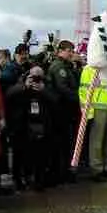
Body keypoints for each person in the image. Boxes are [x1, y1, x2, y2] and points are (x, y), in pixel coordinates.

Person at [47, 40, 80, 184]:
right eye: (69, 51)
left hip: (67, 110)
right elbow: (63, 88)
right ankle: (60, 173)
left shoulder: (67, 66)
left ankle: (65, 171)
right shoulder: (58, 67)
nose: (71, 54)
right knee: (61, 143)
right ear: (61, 50)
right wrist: (78, 96)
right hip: (60, 110)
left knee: (67, 143)